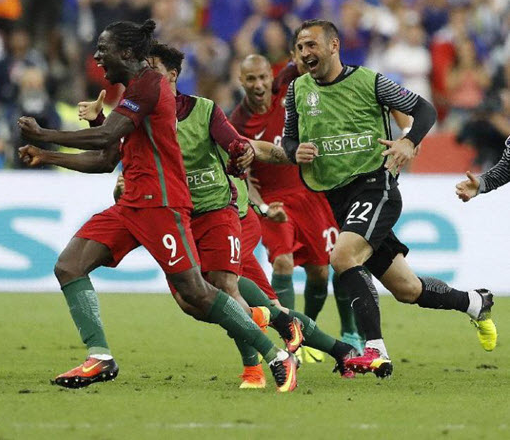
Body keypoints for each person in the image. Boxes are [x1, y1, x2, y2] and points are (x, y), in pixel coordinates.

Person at [17, 19, 299, 392]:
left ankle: (276, 356)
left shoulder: (150, 84)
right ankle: (100, 356)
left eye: (104, 48)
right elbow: (106, 158)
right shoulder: (133, 93)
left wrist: (45, 133)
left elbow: (105, 133)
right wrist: (47, 155)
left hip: (161, 204)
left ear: (129, 53)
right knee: (69, 266)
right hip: (132, 203)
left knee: (197, 294)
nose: (98, 56)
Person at [66, 41, 358, 389]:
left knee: (223, 288)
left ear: (173, 76)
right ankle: (306, 335)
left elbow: (244, 146)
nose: (144, 78)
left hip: (223, 214)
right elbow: (118, 155)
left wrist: (268, 156)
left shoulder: (204, 111)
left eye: (152, 71)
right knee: (197, 301)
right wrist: (99, 124)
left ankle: (260, 366)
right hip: (179, 218)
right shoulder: (139, 114)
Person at [283, 19, 496, 377]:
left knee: (343, 256)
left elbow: (424, 110)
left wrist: (408, 142)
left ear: (334, 46)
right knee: (408, 289)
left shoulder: (370, 81)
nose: (305, 53)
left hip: (374, 185)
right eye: (300, 47)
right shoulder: (297, 91)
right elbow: (288, 138)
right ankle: (475, 302)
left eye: (311, 45)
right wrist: (295, 151)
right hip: (338, 198)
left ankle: (374, 350)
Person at [230, 53, 362, 358]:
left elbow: (308, 60)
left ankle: (314, 330)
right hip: (275, 204)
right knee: (282, 262)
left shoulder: (285, 87)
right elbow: (243, 175)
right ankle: (292, 339)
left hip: (310, 194)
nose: (259, 84)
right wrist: (262, 208)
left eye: (263, 77)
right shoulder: (237, 122)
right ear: (241, 81)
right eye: (251, 79)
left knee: (322, 272)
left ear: (270, 75)